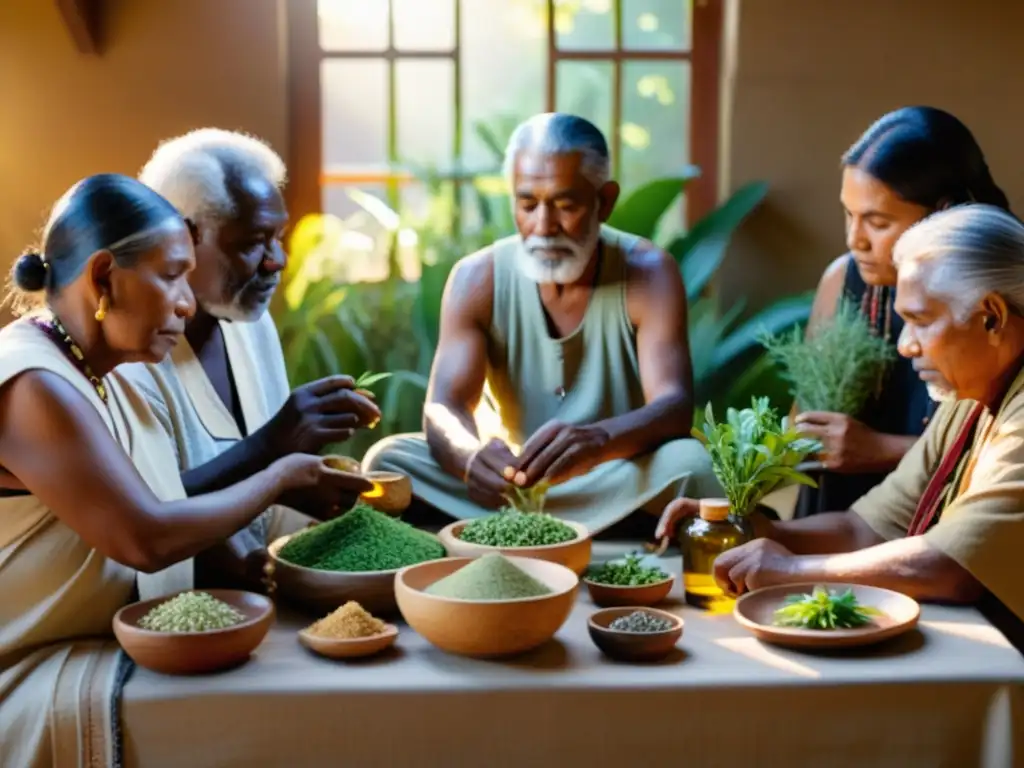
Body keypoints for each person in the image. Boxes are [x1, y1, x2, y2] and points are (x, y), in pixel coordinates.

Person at [0, 174, 371, 768]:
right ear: (102, 278)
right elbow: (146, 537)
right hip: (29, 663)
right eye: (171, 275)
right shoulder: (34, 383)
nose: (187, 302)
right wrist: (279, 475)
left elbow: (154, 502)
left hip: (106, 637)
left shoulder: (98, 369)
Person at [658, 204, 1024, 640]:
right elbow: (864, 529)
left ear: (992, 317)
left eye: (921, 322)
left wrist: (790, 569)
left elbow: (952, 566)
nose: (906, 346)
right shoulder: (970, 400)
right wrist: (752, 529)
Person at [364, 112, 719, 534]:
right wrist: (469, 458)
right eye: (528, 204)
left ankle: (510, 532)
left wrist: (597, 441)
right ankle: (582, 530)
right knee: (388, 462)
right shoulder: (476, 278)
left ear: (604, 201)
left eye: (565, 205)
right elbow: (444, 406)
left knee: (691, 466)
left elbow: (673, 407)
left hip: (616, 475)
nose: (544, 226)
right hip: (515, 484)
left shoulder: (648, 273)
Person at [120, 129, 381, 589]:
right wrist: (276, 442)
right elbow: (140, 523)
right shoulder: (127, 357)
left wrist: (308, 482)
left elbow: (268, 496)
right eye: (252, 242)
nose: (276, 260)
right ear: (181, 239)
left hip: (263, 578)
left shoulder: (251, 325)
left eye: (276, 237)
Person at [794, 106, 1013, 518]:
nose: (855, 239)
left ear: (943, 213)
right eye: (848, 214)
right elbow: (802, 421)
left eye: (877, 222)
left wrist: (881, 449)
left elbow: (1004, 456)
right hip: (846, 517)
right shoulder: (842, 280)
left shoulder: (1001, 303)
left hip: (957, 520)